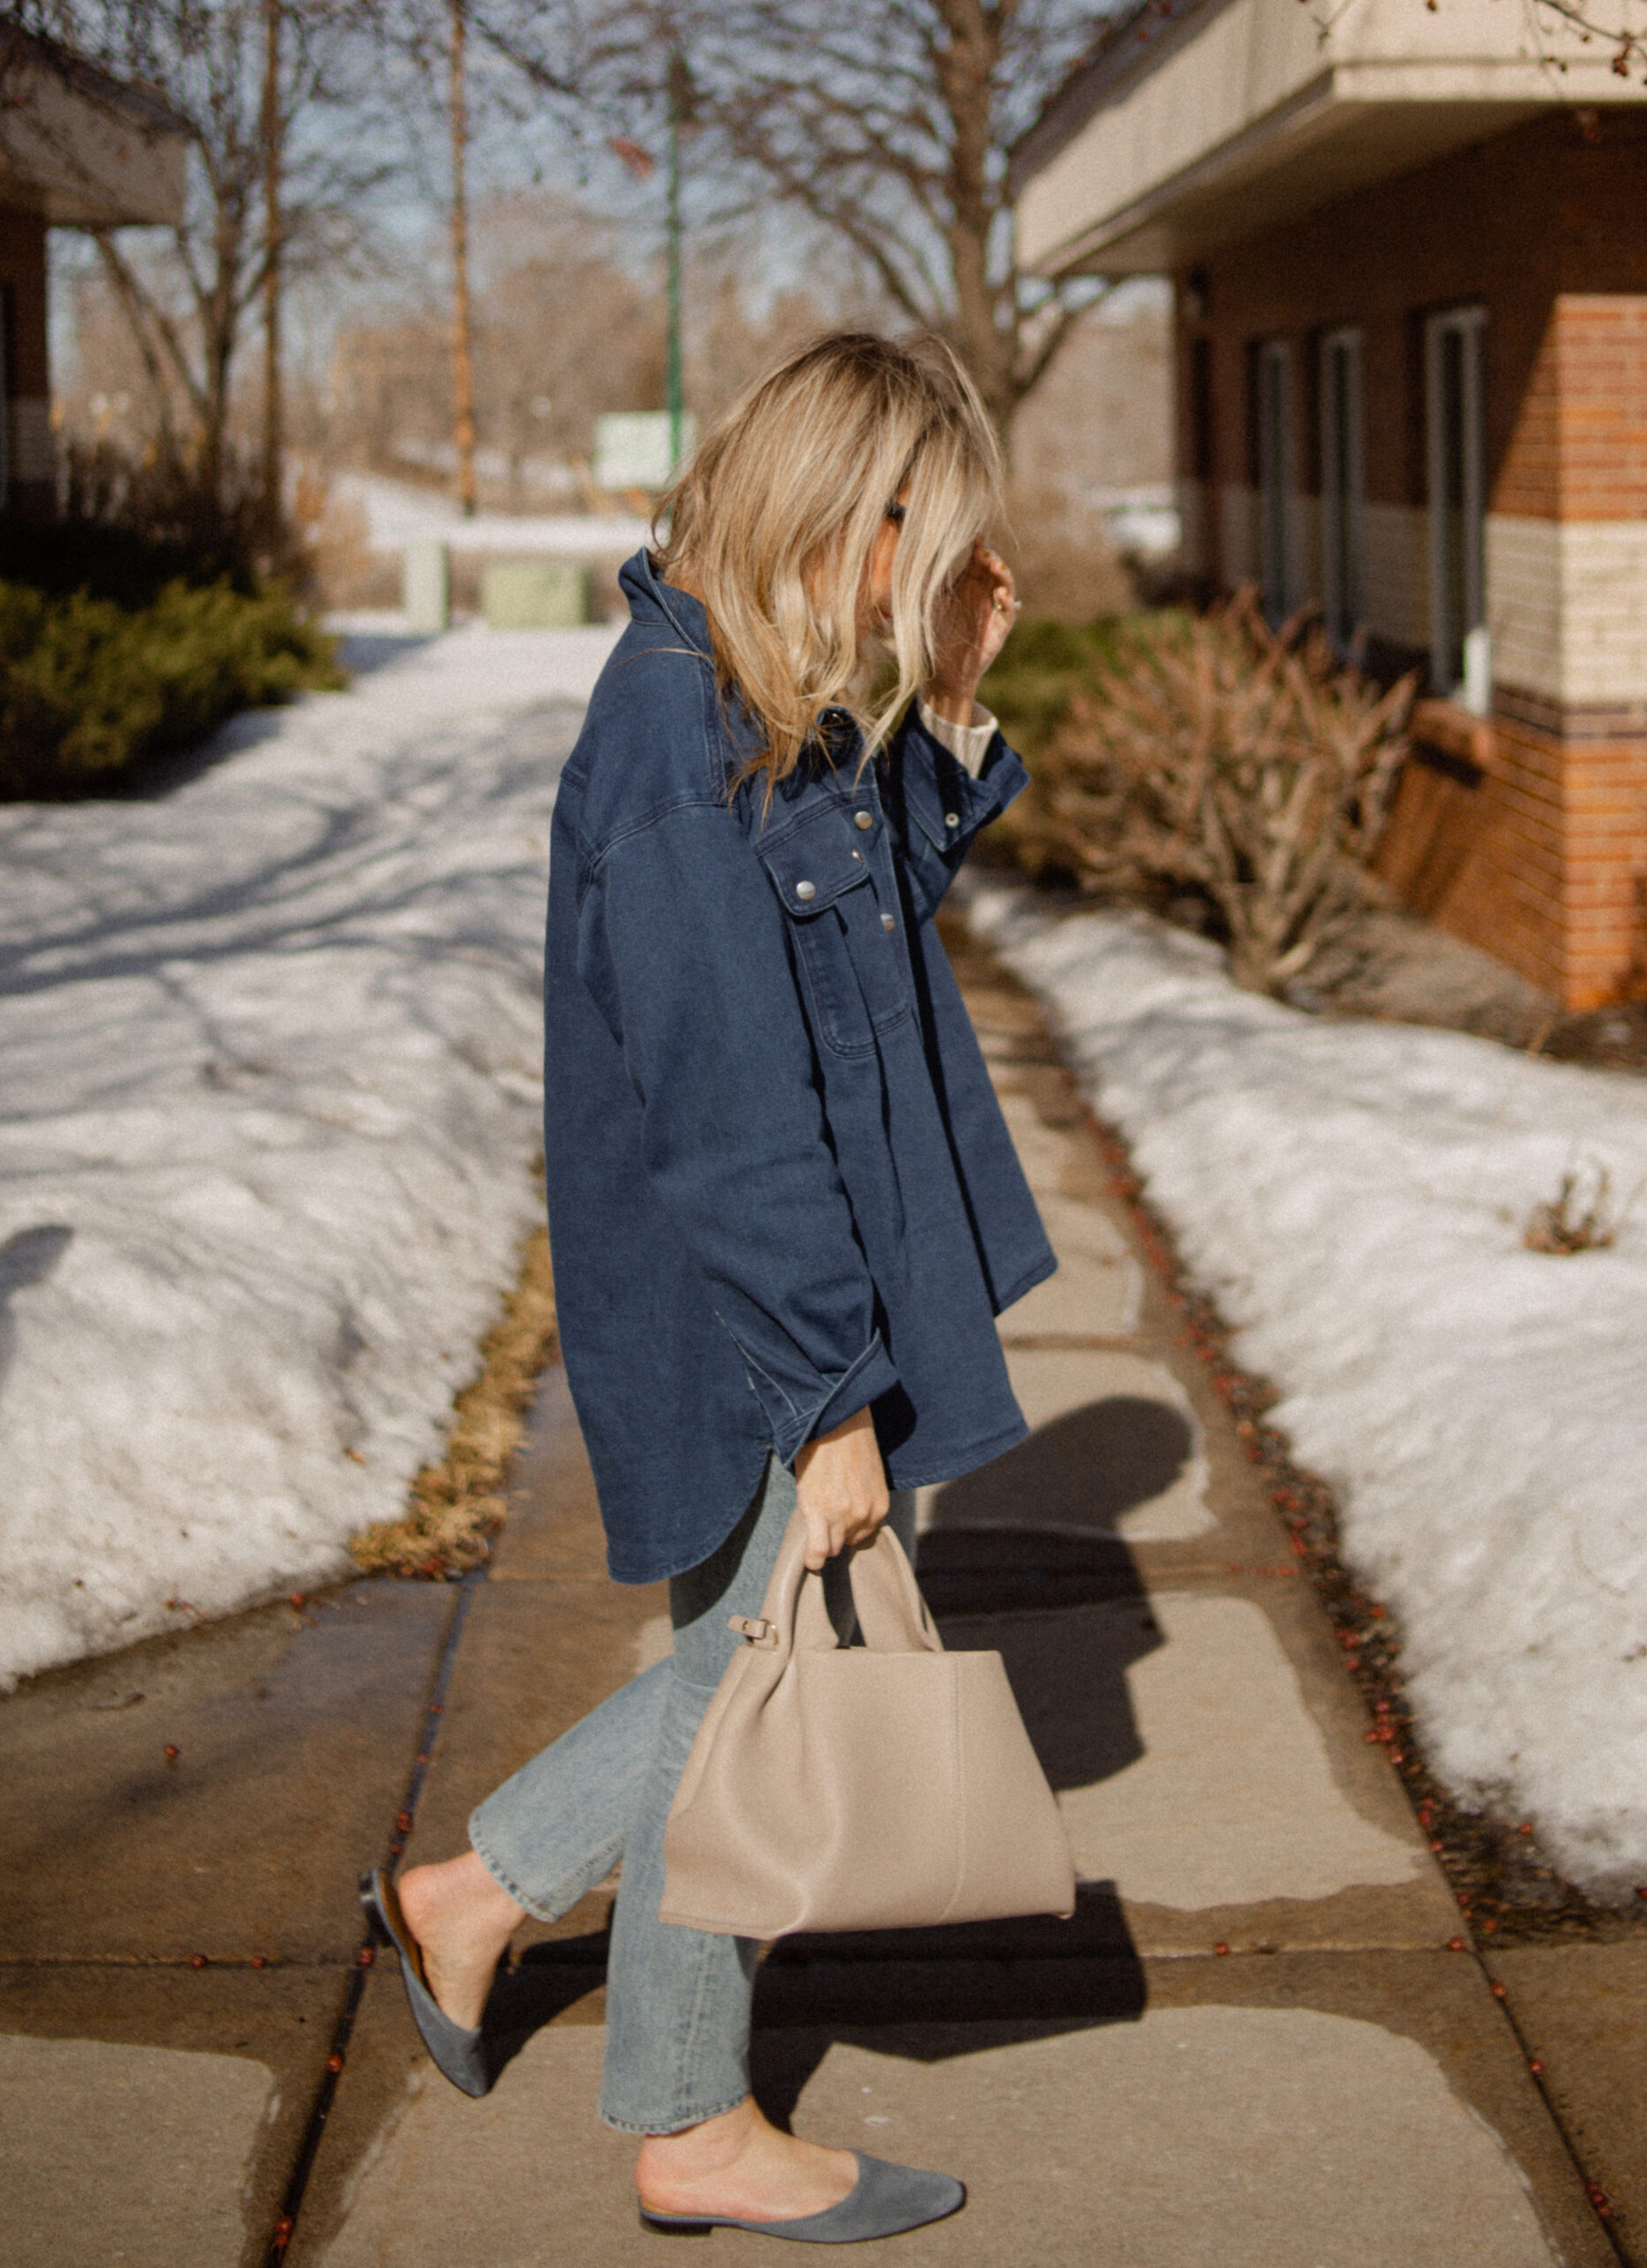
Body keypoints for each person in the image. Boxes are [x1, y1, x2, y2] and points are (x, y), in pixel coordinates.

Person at [362, 330, 1054, 2243]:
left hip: (819, 1273)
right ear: (852, 508)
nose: (925, 587)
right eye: (919, 551)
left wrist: (953, 707)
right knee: (753, 1674)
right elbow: (731, 1111)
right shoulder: (677, 734)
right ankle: (657, 2084)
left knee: (738, 1663)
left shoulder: (768, 688)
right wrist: (827, 1399)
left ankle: (506, 1927)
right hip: (762, 1300)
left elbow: (870, 936)